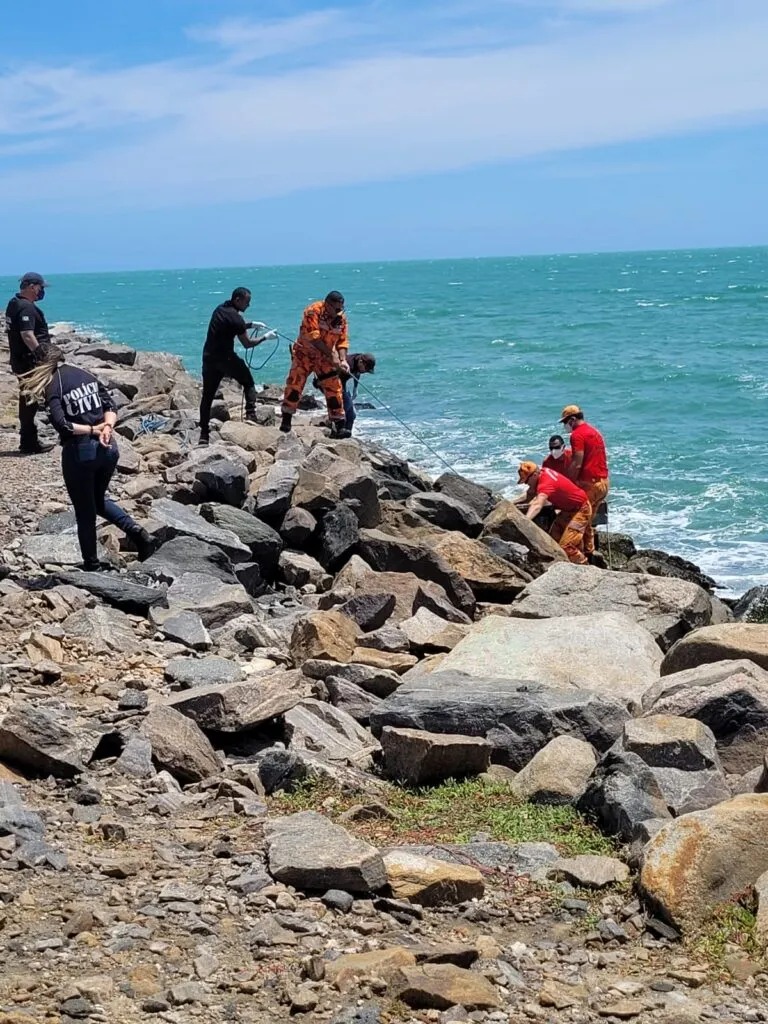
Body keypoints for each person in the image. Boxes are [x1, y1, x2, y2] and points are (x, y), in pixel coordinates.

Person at [18, 342, 154, 572]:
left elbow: (63, 425)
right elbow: (110, 405)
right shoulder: (84, 374)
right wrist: (107, 428)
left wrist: (93, 430)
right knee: (98, 500)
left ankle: (92, 564)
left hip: (81, 452)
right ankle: (138, 534)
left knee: (85, 511)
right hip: (108, 448)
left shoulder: (53, 385)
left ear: (41, 364)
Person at [199, 287, 276, 446]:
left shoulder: (220, 309)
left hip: (209, 358)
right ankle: (250, 415)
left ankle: (204, 435)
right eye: (247, 302)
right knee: (248, 382)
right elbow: (247, 344)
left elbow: (233, 325)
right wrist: (265, 338)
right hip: (226, 359)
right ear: (237, 300)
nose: (249, 305)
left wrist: (251, 325)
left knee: (207, 397)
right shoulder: (236, 319)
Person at [281, 291, 350, 437]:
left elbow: (342, 341)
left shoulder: (341, 319)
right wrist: (332, 355)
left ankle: (339, 425)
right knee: (295, 385)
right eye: (337, 309)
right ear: (327, 305)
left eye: (341, 309)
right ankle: (286, 420)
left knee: (334, 387)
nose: (340, 312)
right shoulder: (313, 311)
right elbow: (314, 337)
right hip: (304, 354)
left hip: (324, 359)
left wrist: (342, 359)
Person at [5, 272, 54, 454]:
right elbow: (27, 334)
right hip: (29, 363)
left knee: (29, 399)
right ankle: (29, 442)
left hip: (19, 360)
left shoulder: (13, 303)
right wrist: (41, 354)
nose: (42, 291)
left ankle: (28, 440)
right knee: (31, 400)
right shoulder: (26, 308)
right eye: (40, 287)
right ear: (32, 286)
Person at [559, 404, 609, 562]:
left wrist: (567, 483)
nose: (565, 426)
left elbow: (577, 462)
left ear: (572, 420)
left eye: (565, 422)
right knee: (588, 520)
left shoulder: (577, 435)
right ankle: (590, 551)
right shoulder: (595, 432)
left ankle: (579, 559)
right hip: (603, 483)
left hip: (590, 485)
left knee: (577, 523)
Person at [517, 460, 592, 565]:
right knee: (553, 541)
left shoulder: (546, 484)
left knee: (566, 546)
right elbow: (530, 495)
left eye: (526, 481)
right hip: (567, 510)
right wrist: (511, 503)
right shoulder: (542, 473)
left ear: (534, 475)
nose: (526, 484)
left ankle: (586, 568)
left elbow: (537, 505)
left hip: (581, 509)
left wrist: (525, 521)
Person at [340, 352, 376, 434]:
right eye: (366, 369)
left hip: (341, 383)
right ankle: (339, 430)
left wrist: (355, 388)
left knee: (352, 414)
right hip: (331, 382)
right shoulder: (349, 364)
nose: (365, 372)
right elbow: (339, 381)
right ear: (361, 362)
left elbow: (357, 373)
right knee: (346, 408)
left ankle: (348, 432)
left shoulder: (358, 361)